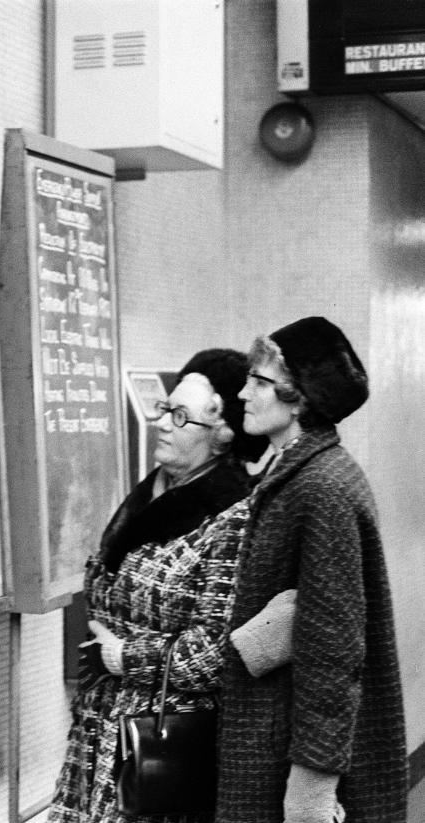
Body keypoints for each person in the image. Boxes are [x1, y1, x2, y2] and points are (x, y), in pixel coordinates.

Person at [47, 348, 269, 823]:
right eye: (165, 409)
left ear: (222, 436)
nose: (164, 423)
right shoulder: (146, 494)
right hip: (100, 728)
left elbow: (217, 649)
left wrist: (124, 656)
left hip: (163, 738)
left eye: (182, 416)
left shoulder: (232, 517)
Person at [217, 317, 407, 823]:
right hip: (275, 726)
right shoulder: (295, 471)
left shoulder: (322, 487)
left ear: (297, 397)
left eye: (258, 382)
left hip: (290, 747)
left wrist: (312, 788)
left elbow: (334, 647)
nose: (242, 392)